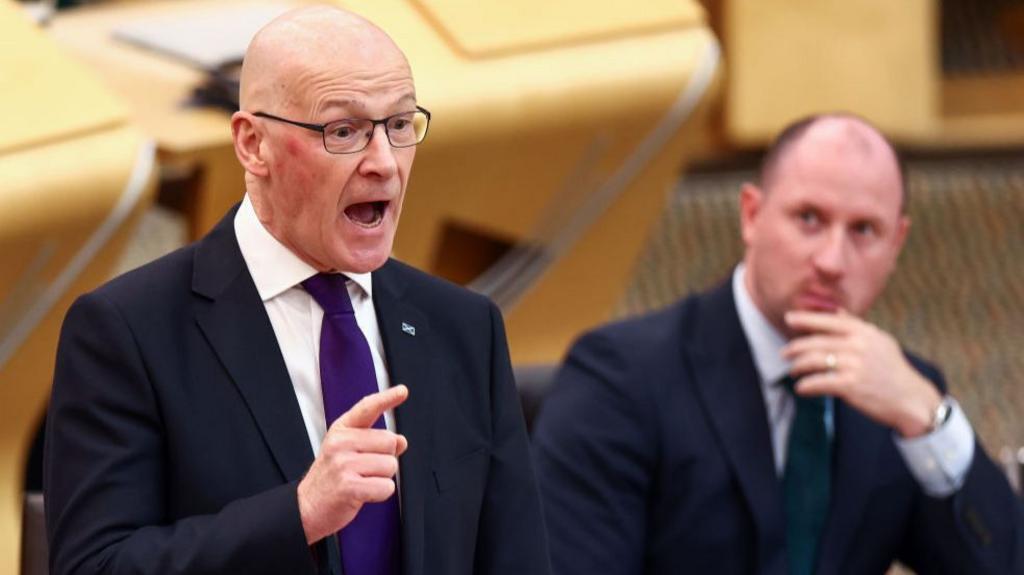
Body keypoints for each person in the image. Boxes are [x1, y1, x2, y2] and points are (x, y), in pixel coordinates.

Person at [44, 6, 549, 575]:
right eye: (344, 131)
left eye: (401, 125)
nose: (384, 163)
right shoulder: (127, 331)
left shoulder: (465, 327)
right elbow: (94, 566)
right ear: (253, 144)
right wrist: (300, 512)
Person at [532, 114, 1024, 574]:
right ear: (752, 214)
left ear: (896, 244)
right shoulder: (621, 378)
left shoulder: (901, 395)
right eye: (809, 218)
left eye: (864, 231)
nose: (832, 260)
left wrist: (929, 421)